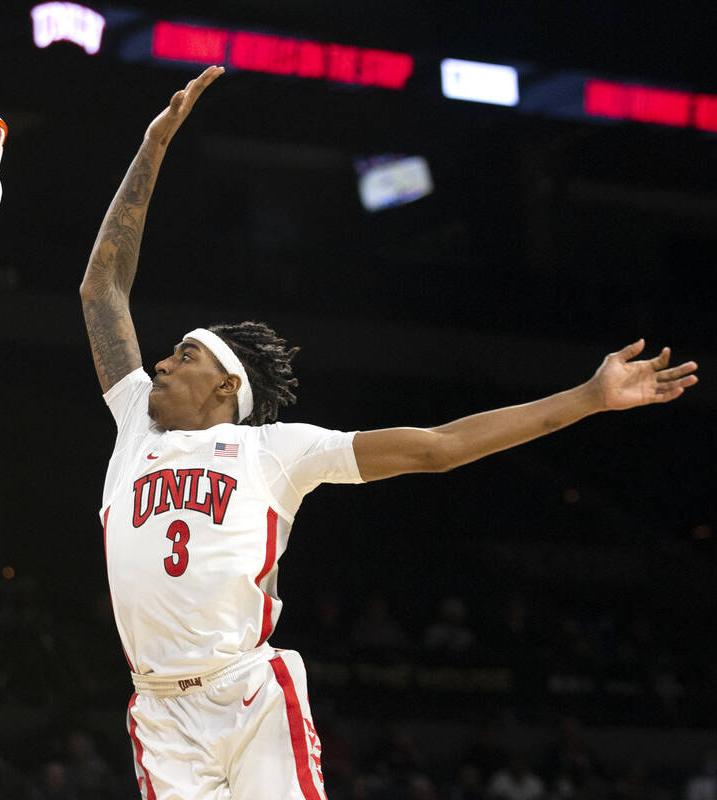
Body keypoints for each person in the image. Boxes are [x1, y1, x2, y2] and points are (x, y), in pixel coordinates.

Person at [78, 65, 698, 800]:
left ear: (225, 388)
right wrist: (153, 145)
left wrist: (589, 398)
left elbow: (438, 448)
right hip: (157, 707)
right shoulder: (133, 423)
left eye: (183, 356)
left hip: (246, 693)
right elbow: (102, 286)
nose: (160, 364)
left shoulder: (274, 452)